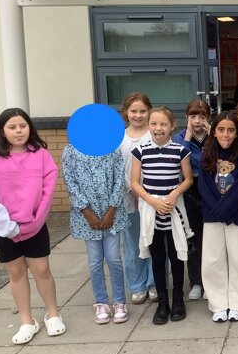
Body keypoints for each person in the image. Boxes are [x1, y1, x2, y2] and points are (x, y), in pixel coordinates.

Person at [0, 108, 65, 344]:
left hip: (35, 225)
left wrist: (36, 221)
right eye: (12, 127)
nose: (19, 131)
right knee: (15, 273)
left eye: (23, 126)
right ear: (2, 131)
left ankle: (53, 314)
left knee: (42, 270)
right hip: (5, 228)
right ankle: (27, 321)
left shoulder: (41, 155)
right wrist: (7, 225)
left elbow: (47, 191)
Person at [131, 106, 194, 325]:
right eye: (154, 123)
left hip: (173, 209)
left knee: (176, 256)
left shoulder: (180, 150)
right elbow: (134, 183)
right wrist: (152, 201)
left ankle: (178, 298)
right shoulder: (140, 151)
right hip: (152, 211)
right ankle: (162, 301)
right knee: (158, 257)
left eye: (163, 124)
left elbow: (188, 179)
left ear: (172, 126)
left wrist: (174, 194)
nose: (159, 128)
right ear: (149, 126)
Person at [62, 144, 130, 324]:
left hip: (111, 214)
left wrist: (112, 210)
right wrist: (86, 211)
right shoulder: (70, 151)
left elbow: (119, 179)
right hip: (87, 217)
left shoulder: (112, 148)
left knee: (114, 259)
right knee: (94, 262)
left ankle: (119, 301)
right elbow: (70, 182)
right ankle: (101, 302)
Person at [198, 111, 238, 322]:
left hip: (236, 215)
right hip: (212, 215)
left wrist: (225, 209)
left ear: (237, 132)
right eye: (221, 129)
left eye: (231, 130)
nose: (226, 134)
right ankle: (218, 303)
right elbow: (203, 185)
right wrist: (218, 210)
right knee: (213, 259)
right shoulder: (207, 153)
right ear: (214, 132)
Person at [119, 92, 156, 304]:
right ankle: (137, 285)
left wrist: (145, 194)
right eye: (134, 111)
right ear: (126, 113)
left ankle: (155, 282)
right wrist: (133, 191)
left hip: (153, 198)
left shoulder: (154, 135)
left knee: (154, 241)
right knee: (132, 243)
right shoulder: (119, 138)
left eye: (143, 111)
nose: (138, 115)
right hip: (129, 200)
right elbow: (118, 169)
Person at [174, 99, 211, 301]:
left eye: (202, 116)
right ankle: (196, 281)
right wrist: (188, 136)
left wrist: (213, 133)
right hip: (189, 190)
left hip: (211, 190)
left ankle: (210, 281)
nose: (197, 121)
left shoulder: (213, 135)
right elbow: (178, 160)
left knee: (211, 238)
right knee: (193, 237)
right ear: (187, 118)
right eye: (193, 116)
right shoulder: (180, 137)